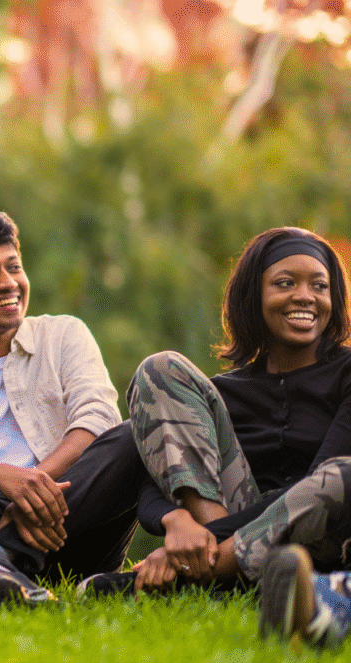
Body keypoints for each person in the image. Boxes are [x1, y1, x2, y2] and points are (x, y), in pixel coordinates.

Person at [80, 226, 351, 596]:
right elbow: (155, 481)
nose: (304, 297)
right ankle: (223, 570)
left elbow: (322, 486)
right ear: (253, 296)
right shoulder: (223, 394)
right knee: (161, 368)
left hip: (328, 539)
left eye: (319, 286)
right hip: (239, 518)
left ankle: (201, 573)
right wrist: (175, 522)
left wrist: (203, 539)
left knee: (343, 474)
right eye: (285, 283)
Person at [0, 209, 145, 602]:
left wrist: (32, 489)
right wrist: (1, 476)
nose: (9, 283)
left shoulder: (65, 334)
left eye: (14, 267)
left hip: (68, 515)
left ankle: (4, 554)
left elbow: (98, 419)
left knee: (133, 435)